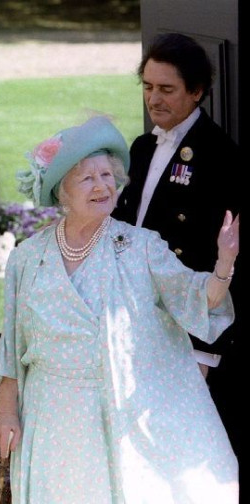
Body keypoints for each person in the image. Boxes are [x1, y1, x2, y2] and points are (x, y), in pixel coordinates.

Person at [0, 115, 239, 503]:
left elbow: (196, 297)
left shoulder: (140, 247)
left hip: (113, 412)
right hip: (49, 413)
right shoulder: (28, 257)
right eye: (88, 178)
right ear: (62, 192)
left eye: (108, 176)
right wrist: (7, 413)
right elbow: (12, 348)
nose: (102, 186)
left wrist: (223, 265)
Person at [111, 32, 243, 472]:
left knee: (188, 460)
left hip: (189, 337)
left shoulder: (222, 158)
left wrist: (205, 352)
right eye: (148, 87)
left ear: (197, 91)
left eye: (166, 89)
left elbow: (222, 262)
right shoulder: (142, 147)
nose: (154, 99)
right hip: (140, 326)